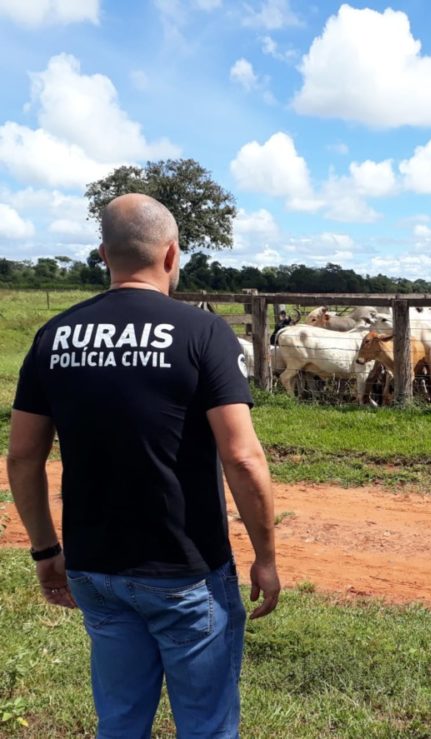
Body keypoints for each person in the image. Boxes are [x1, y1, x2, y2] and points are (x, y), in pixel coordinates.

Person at [7, 193, 281, 738]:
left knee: (121, 721)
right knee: (206, 726)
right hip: (186, 572)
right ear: (172, 255)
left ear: (103, 255)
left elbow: (22, 456)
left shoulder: (53, 337)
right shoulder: (201, 332)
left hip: (95, 570)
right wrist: (266, 557)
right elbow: (244, 458)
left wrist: (45, 550)